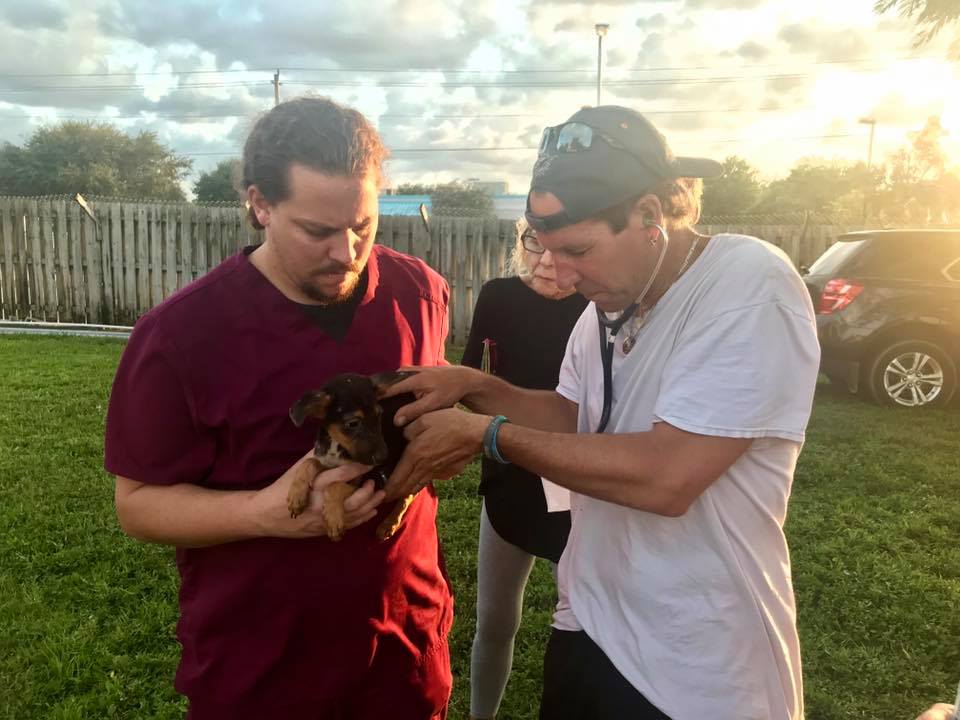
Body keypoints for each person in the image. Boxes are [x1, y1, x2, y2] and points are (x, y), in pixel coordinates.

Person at [381, 105, 821, 719]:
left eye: (579, 249)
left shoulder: (747, 285)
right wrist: (471, 385)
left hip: (698, 663)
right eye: (549, 249)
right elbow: (570, 415)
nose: (560, 273)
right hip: (588, 623)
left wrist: (490, 435)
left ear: (650, 214)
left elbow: (668, 477)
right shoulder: (602, 310)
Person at [104, 96, 453, 720]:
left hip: (404, 650)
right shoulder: (180, 334)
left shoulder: (419, 292)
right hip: (262, 671)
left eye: (364, 226)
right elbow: (138, 506)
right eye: (318, 231)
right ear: (260, 204)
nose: (347, 253)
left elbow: (427, 415)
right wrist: (267, 513)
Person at [462, 219, 588, 720]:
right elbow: (469, 376)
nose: (544, 263)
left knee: (585, 623)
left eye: (559, 250)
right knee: (493, 621)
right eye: (533, 244)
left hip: (582, 482)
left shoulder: (601, 307)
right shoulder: (497, 296)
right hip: (510, 478)